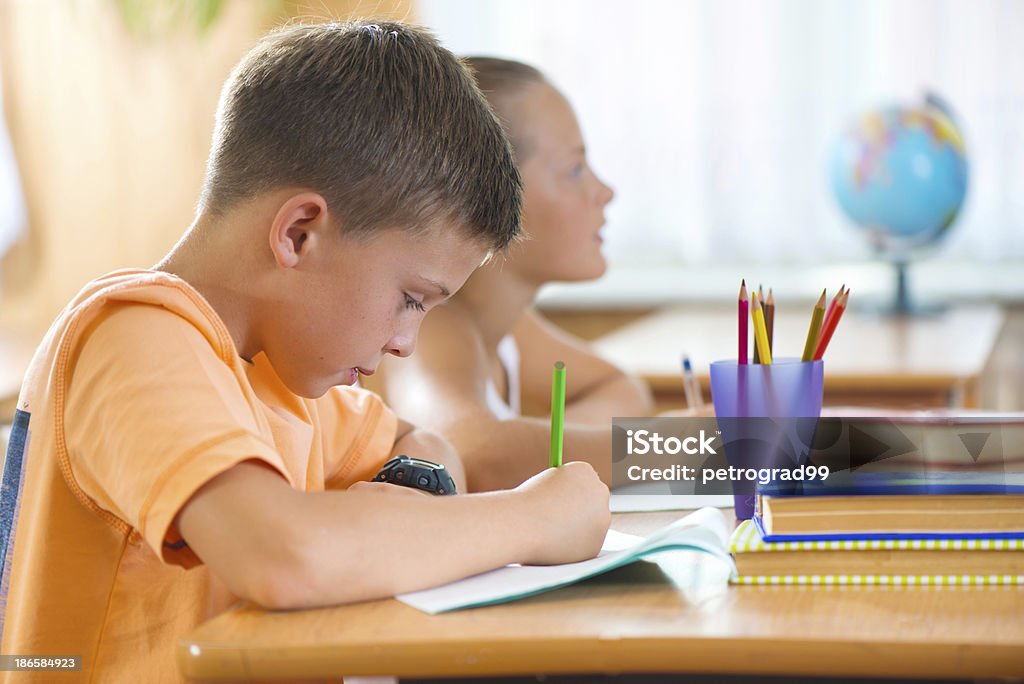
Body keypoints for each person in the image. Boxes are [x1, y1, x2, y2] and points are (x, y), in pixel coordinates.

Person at [0, 23, 610, 680]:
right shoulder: (132, 337)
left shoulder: (280, 380)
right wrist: (533, 518)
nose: (406, 342)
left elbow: (426, 443)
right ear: (299, 232)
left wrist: (413, 479)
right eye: (410, 297)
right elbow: (284, 557)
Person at [363, 58, 654, 492]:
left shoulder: (508, 327)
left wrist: (549, 449)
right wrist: (682, 449)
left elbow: (622, 390)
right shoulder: (428, 326)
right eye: (574, 169)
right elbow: (472, 451)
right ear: (491, 193)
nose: (604, 191)